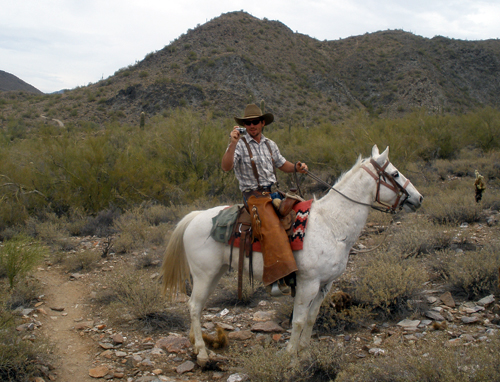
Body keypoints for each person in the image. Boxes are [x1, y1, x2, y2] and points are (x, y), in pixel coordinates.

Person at [221, 104, 308, 295]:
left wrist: (297, 167)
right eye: (247, 123)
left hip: (273, 193)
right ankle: (276, 279)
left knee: (302, 209)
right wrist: (233, 142)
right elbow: (226, 166)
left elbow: (282, 164)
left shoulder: (270, 144)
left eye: (255, 122)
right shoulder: (239, 146)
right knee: (272, 226)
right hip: (253, 197)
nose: (251, 125)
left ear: (262, 123)